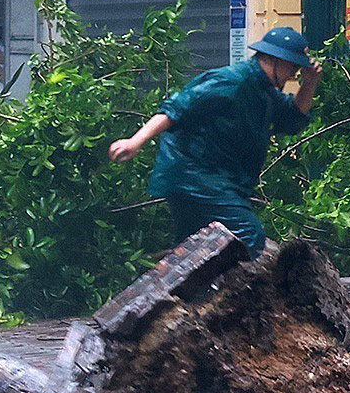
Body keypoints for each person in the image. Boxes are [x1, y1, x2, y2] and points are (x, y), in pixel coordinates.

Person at [107, 26, 325, 255]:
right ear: (272, 59)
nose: (294, 74)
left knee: (191, 248)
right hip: (194, 175)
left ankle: (185, 290)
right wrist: (135, 141)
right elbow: (177, 108)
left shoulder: (265, 92)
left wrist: (309, 85)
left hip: (215, 179)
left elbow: (292, 120)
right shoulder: (231, 81)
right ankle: (235, 291)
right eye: (292, 66)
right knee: (248, 234)